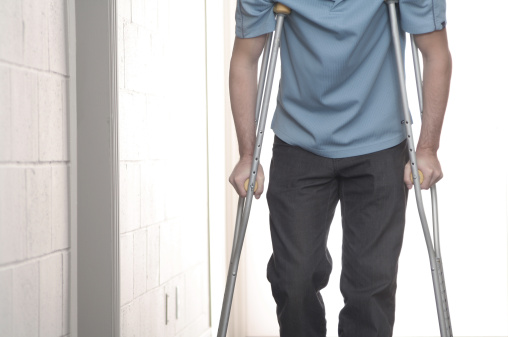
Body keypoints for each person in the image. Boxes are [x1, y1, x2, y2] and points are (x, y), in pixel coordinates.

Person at [228, 0, 452, 336]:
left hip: (380, 143)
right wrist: (248, 154)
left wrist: (428, 148)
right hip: (298, 142)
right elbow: (245, 60)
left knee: (370, 289)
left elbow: (436, 54)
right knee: (294, 279)